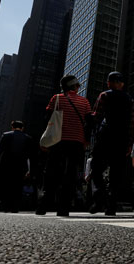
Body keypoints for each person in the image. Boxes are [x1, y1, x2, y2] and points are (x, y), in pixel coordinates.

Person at [36, 75, 92, 216]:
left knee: (51, 172)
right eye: (78, 85)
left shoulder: (57, 98)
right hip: (77, 142)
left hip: (57, 141)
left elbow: (47, 118)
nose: (79, 88)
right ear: (74, 86)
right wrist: (86, 140)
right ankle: (64, 207)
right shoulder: (84, 102)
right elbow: (89, 123)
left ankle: (43, 204)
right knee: (71, 174)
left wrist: (45, 141)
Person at [89, 71, 134, 216]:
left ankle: (99, 196)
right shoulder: (129, 99)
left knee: (96, 169)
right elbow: (130, 122)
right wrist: (128, 143)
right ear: (121, 84)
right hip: (121, 138)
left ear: (109, 83)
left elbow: (97, 116)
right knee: (116, 173)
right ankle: (111, 206)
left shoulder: (104, 95)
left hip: (105, 135)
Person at [0, 120, 36, 212]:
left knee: (6, 183)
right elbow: (30, 155)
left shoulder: (6, 135)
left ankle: (5, 205)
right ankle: (15, 206)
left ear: (12, 127)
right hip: (21, 165)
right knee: (18, 185)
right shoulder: (28, 138)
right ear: (22, 128)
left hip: (6, 164)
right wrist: (29, 169)